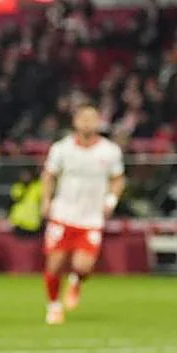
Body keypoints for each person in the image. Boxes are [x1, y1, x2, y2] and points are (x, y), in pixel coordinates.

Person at [40, 104, 125, 324]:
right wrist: (46, 200)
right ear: (74, 122)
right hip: (63, 213)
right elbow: (49, 175)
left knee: (83, 266)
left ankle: (76, 281)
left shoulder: (110, 151)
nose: (87, 122)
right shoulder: (61, 148)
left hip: (91, 217)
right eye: (83, 118)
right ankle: (54, 306)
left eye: (92, 118)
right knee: (55, 262)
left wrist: (111, 200)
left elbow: (118, 179)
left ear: (99, 122)